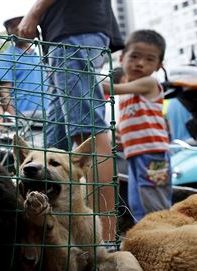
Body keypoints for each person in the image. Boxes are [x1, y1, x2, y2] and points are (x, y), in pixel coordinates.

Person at [18, 0, 124, 241]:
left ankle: (104, 241)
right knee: (56, 144)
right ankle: (62, 244)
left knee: (87, 134)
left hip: (74, 33)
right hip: (64, 36)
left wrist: (34, 11)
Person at [102, 30, 171, 222]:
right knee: (137, 202)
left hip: (152, 154)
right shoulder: (127, 94)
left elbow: (111, 88)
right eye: (134, 56)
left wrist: (85, 79)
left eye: (150, 59)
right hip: (135, 154)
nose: (140, 63)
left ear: (159, 66)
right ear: (122, 58)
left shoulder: (149, 83)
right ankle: (147, 239)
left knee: (154, 203)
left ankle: (161, 238)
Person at [0, 15, 49, 117]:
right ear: (8, 32)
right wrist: (15, 119)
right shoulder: (6, 57)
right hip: (23, 116)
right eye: (12, 26)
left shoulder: (39, 56)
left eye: (20, 23)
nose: (18, 28)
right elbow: (4, 91)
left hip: (48, 115)